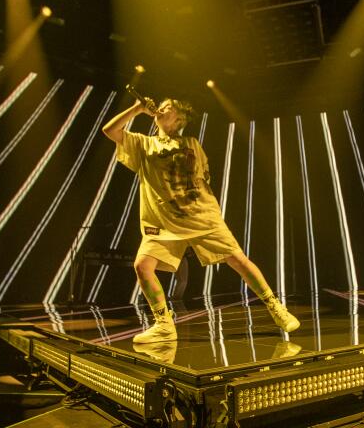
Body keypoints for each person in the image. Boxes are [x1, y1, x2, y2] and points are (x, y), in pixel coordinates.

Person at [102, 95, 300, 344]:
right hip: (163, 223)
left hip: (200, 216)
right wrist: (137, 108)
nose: (163, 108)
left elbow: (200, 179)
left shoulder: (191, 143)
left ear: (179, 119)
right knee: (142, 266)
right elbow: (110, 130)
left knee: (238, 260)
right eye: (161, 105)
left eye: (169, 107)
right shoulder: (143, 144)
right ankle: (164, 324)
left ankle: (276, 308)